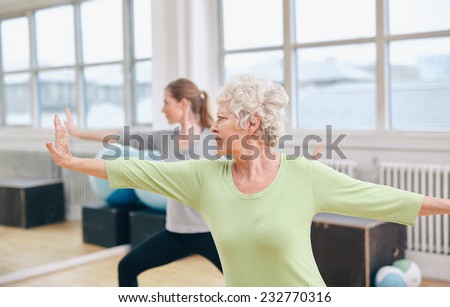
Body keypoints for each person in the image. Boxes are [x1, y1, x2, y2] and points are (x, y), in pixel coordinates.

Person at [46, 74, 450, 286]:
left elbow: (380, 197)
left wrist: (446, 205)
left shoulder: (302, 176)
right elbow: (137, 169)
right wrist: (73, 159)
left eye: (221, 119)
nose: (214, 127)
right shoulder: (205, 176)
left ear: (251, 122)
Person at [64, 78, 223, 287]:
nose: (162, 109)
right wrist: (78, 133)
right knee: (127, 266)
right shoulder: (165, 139)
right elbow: (123, 137)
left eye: (166, 102)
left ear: (183, 103)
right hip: (176, 231)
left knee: (244, 280)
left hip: (210, 232)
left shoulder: (214, 139)